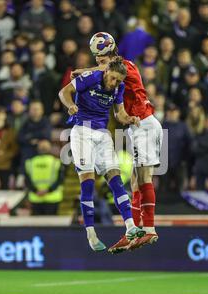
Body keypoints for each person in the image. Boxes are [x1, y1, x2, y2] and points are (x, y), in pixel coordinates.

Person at [71, 32, 163, 253]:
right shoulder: (115, 69)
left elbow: (105, 70)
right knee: (134, 182)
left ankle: (149, 228)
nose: (98, 63)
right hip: (136, 126)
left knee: (143, 178)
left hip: (144, 123)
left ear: (110, 53)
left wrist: (83, 72)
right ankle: (132, 232)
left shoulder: (124, 67)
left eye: (100, 58)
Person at [59, 57, 145, 252]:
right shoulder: (91, 77)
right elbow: (64, 92)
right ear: (106, 72)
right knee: (88, 183)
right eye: (113, 78)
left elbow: (119, 114)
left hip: (102, 134)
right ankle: (91, 233)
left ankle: (130, 226)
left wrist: (130, 119)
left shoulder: (118, 88)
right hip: (82, 132)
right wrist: (70, 105)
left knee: (115, 179)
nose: (114, 83)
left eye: (118, 81)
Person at [25, 139, 65, 215]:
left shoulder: (30, 162)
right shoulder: (56, 162)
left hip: (36, 198)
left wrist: (36, 190)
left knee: (36, 225)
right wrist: (48, 190)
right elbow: (60, 180)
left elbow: (27, 181)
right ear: (49, 148)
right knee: (51, 225)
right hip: (53, 198)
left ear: (37, 149)